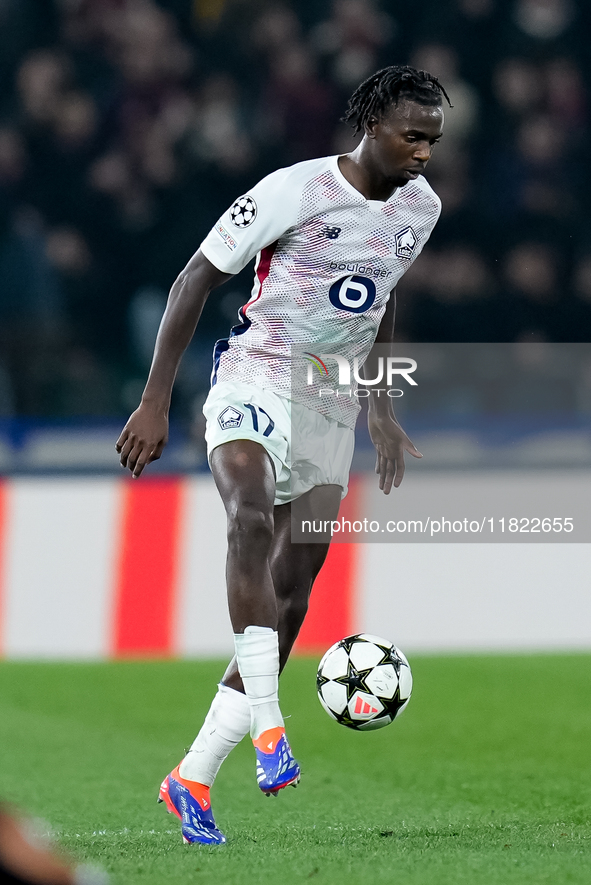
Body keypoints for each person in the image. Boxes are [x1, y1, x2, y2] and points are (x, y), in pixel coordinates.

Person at [116, 65, 449, 845]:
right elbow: (195, 278)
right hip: (256, 370)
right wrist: (156, 397)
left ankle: (190, 775)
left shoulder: (420, 207)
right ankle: (270, 727)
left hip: (330, 396)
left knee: (294, 591)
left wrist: (381, 407)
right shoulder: (292, 190)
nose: (424, 153)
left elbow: (384, 290)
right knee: (250, 522)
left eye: (433, 140)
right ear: (371, 122)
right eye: (412, 135)